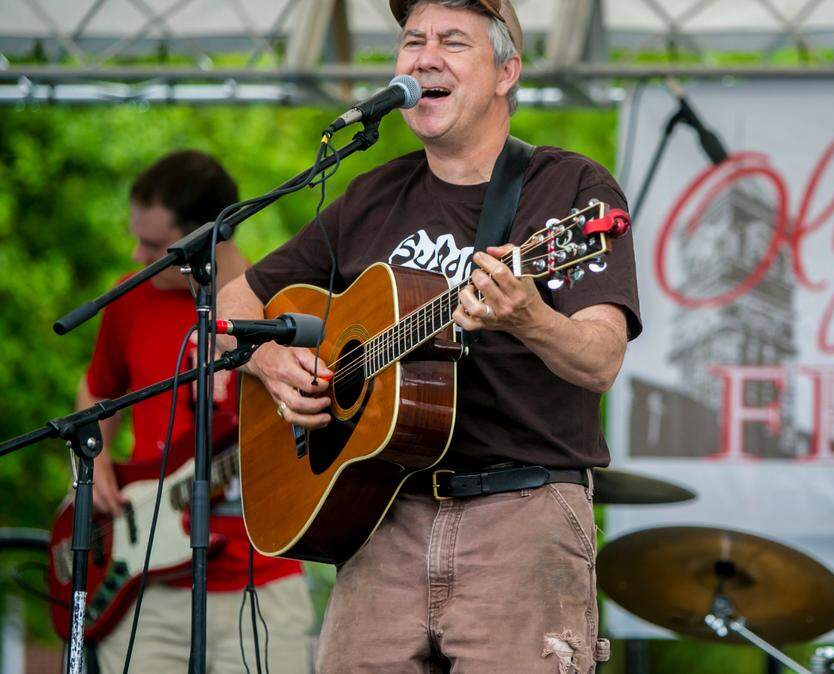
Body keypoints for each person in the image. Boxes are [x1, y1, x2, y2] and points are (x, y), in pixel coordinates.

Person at [215, 0, 640, 670]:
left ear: (506, 72)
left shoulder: (570, 189)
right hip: (381, 513)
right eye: (412, 41)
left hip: (521, 517)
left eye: (452, 41)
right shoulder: (370, 196)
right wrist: (269, 361)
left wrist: (528, 316)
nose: (424, 57)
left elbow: (601, 359)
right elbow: (232, 303)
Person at [79, 150, 313, 672]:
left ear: (208, 237)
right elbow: (95, 390)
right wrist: (93, 462)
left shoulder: (280, 305)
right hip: (144, 587)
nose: (139, 256)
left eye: (155, 245)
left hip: (260, 583)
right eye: (137, 238)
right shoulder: (128, 298)